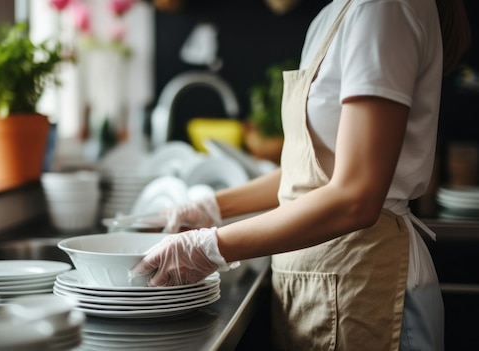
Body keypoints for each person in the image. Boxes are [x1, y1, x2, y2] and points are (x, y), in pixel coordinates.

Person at [131, 0, 471, 350]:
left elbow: (357, 197)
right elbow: (310, 172)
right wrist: (209, 207)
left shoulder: (383, 7)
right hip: (324, 288)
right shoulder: (335, 14)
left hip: (368, 286)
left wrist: (211, 247)